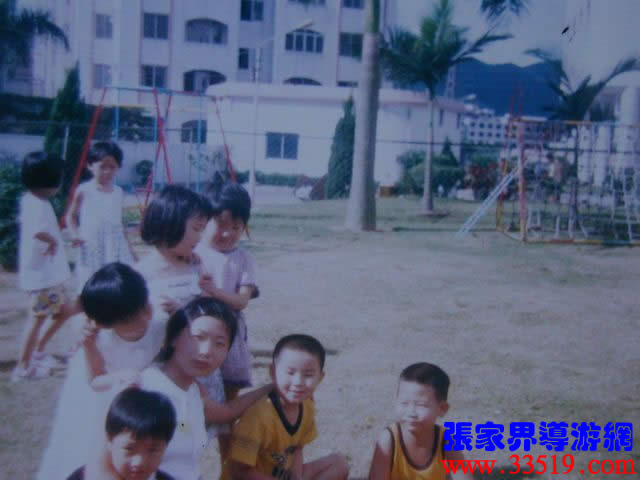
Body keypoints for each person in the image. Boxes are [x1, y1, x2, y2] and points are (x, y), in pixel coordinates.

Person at [37, 263, 165, 480]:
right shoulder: (99, 340)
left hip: (143, 400)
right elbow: (95, 379)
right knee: (96, 452)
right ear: (105, 324)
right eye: (129, 320)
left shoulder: (161, 322)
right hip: (105, 398)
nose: (145, 316)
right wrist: (117, 378)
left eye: (145, 307)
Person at [132, 296, 273, 480]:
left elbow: (221, 414)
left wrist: (271, 388)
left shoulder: (192, 392)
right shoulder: (145, 389)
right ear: (173, 338)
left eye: (219, 343)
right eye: (198, 337)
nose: (206, 351)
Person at [222, 334, 349, 480]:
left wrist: (296, 476)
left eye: (308, 375)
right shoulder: (258, 417)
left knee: (339, 464)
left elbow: (298, 448)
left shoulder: (307, 407)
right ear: (273, 372)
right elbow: (239, 472)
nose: (298, 382)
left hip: (280, 474)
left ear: (320, 378)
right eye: (290, 372)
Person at [196, 183, 259, 405]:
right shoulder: (193, 253)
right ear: (204, 220)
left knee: (229, 387)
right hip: (197, 333)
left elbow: (241, 301)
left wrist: (214, 292)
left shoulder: (243, 259)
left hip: (230, 332)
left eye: (236, 227)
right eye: (221, 224)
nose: (227, 233)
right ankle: (192, 426)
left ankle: (227, 426)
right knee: (195, 389)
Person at [13, 151, 73, 381]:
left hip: (48, 277)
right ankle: (23, 367)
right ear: (51, 181)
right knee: (37, 320)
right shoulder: (38, 204)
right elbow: (38, 231)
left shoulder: (31, 200)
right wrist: (52, 241)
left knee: (64, 310)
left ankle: (36, 353)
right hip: (43, 279)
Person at [368, 363, 471, 480]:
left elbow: (462, 475)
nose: (411, 413)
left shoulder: (446, 440)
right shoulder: (389, 440)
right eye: (404, 403)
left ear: (442, 408)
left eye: (421, 405)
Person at [66, 141, 137, 294]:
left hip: (114, 244)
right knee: (90, 280)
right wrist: (75, 234)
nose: (107, 171)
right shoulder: (84, 190)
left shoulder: (118, 192)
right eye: (103, 166)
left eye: (112, 167)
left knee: (115, 281)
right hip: (91, 243)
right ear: (90, 165)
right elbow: (70, 216)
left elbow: (120, 223)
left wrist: (131, 250)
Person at [66, 387, 177, 480]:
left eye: (152, 450)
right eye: (129, 449)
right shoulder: (84, 477)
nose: (139, 462)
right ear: (110, 440)